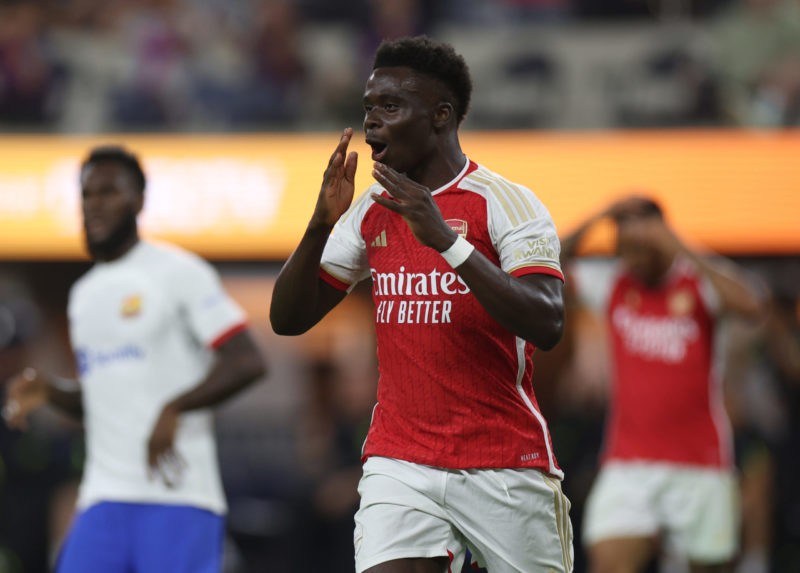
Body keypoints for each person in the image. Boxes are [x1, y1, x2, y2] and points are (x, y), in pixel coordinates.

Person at [270, 35, 573, 573]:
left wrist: (448, 241)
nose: (372, 123)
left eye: (390, 106)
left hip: (503, 462)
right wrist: (320, 224)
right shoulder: (370, 210)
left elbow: (547, 321)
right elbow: (288, 319)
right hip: (400, 460)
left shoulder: (505, 202)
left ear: (440, 116)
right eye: (368, 108)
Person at [2, 145, 267, 573]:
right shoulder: (83, 296)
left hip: (178, 497)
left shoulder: (179, 272)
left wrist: (174, 407)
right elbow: (102, 400)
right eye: (87, 194)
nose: (94, 205)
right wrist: (50, 391)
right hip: (102, 499)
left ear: (139, 200)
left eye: (109, 192)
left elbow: (247, 362)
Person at [560, 196, 764, 573]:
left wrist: (677, 243)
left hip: (700, 462)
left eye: (640, 244)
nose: (630, 255)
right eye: (624, 245)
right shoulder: (615, 282)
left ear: (663, 238)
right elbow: (551, 264)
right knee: (608, 561)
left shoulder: (698, 282)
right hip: (628, 463)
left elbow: (752, 305)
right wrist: (598, 217)